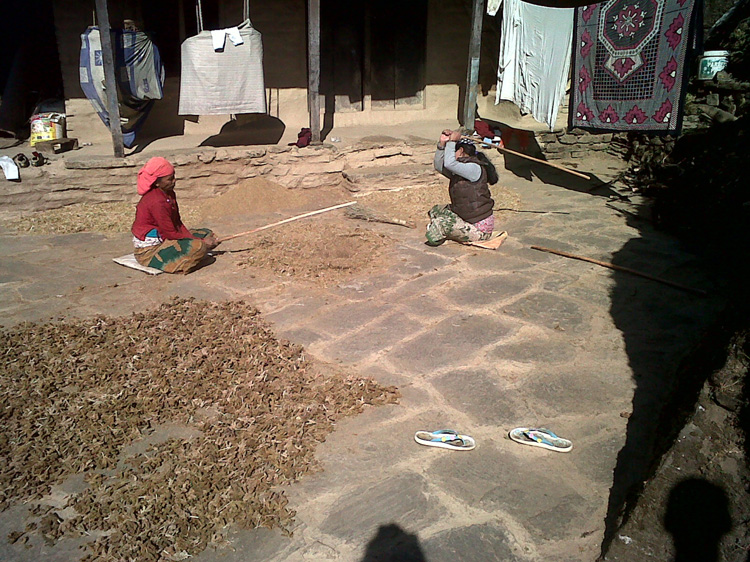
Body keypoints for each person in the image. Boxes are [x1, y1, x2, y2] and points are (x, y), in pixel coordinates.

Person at [131, 157, 218, 273]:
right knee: (199, 247)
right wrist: (201, 242)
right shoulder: (156, 201)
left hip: (166, 236)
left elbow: (177, 222)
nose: (174, 181)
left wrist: (198, 238)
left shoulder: (169, 194)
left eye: (173, 177)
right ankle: (173, 263)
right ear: (157, 182)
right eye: (169, 179)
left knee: (207, 233)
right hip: (150, 251)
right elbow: (170, 233)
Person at [426, 129, 499, 246]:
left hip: (479, 229)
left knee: (441, 223)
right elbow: (440, 167)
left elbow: (449, 163)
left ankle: (449, 232)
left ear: (460, 151)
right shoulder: (460, 169)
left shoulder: (473, 168)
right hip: (466, 217)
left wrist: (452, 142)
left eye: (453, 151)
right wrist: (441, 145)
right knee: (436, 210)